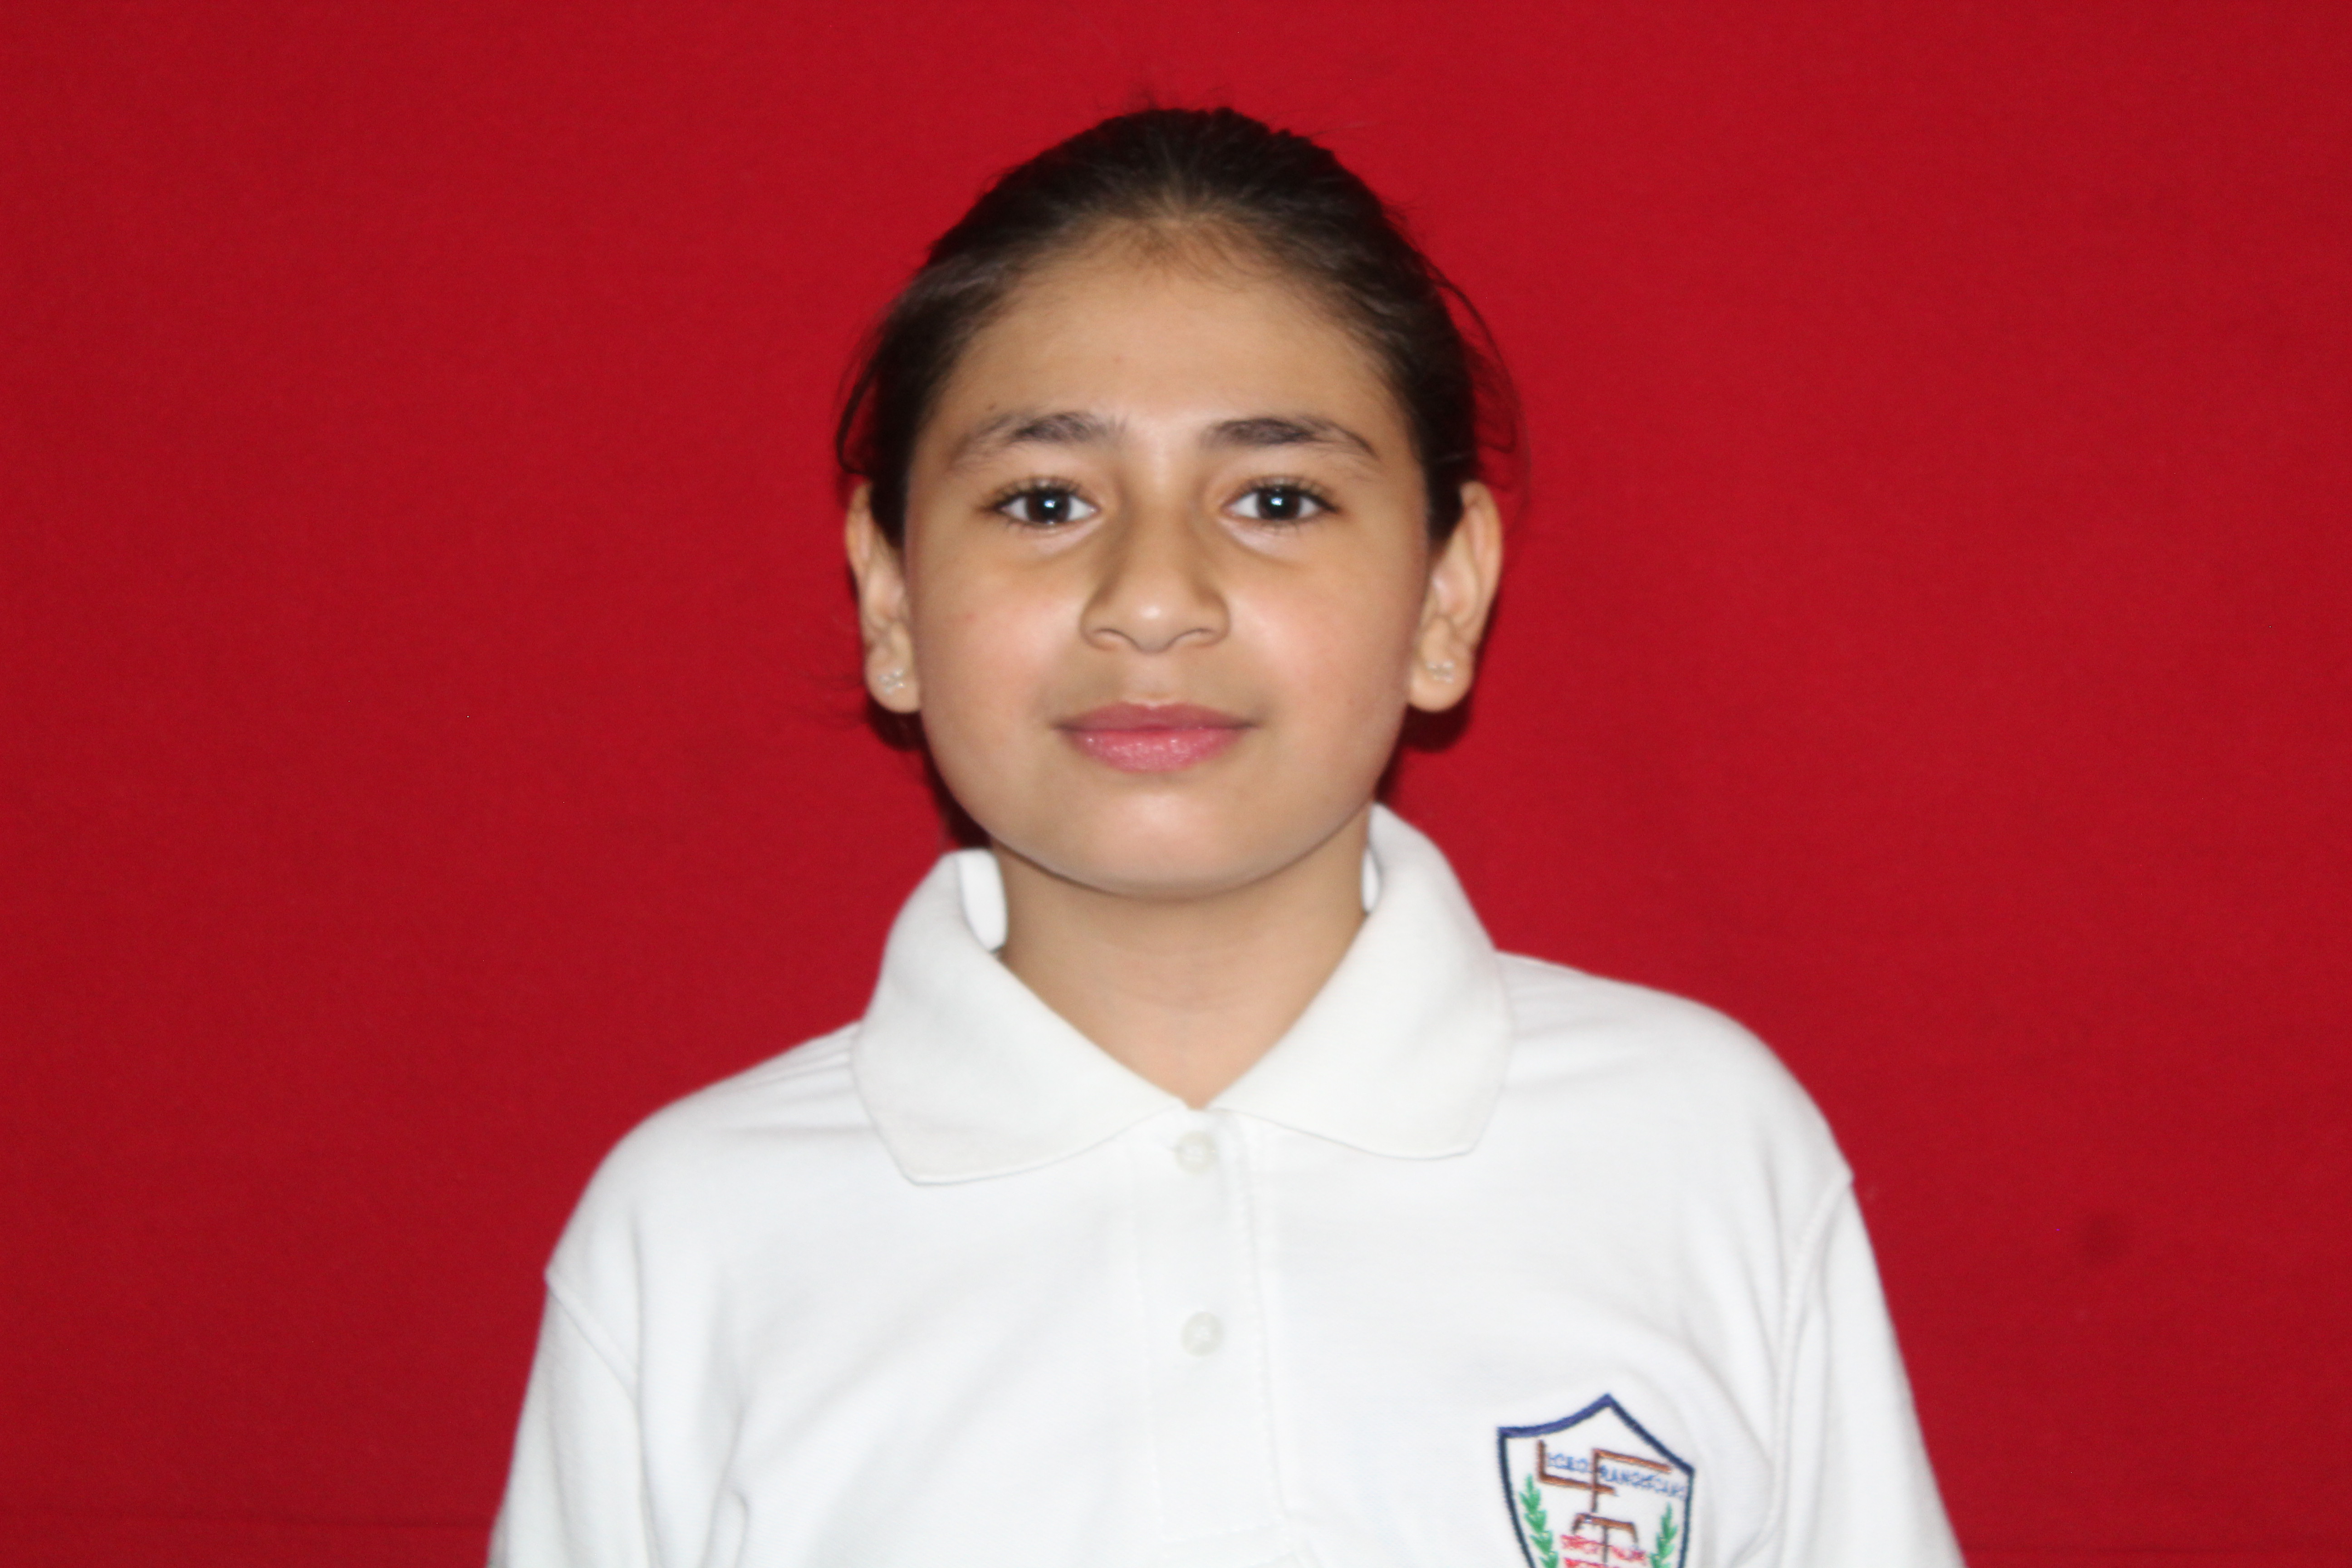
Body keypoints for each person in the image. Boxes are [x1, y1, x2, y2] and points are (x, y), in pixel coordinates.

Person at [490, 107, 1961, 1568]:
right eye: (1045, 501)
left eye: (1275, 499)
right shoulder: (698, 1234)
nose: (1152, 598)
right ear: (891, 602)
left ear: (1446, 596)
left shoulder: (1696, 1148)